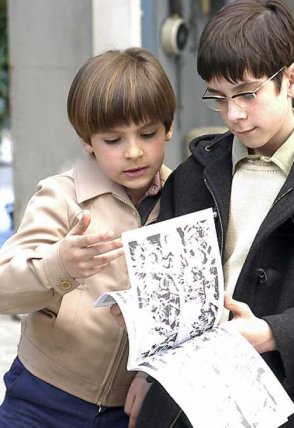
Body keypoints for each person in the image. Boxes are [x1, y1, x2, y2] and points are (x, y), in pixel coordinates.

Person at [130, 1, 294, 427]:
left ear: (293, 79)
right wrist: (145, 369)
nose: (234, 114)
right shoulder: (195, 174)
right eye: (219, 98)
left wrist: (271, 334)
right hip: (186, 396)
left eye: (248, 93)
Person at [0, 47, 176, 428]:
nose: (133, 152)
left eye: (148, 134)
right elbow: (3, 290)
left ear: (169, 127)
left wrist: (151, 377)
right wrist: (57, 266)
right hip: (41, 397)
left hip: (127, 409)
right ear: (86, 140)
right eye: (112, 140)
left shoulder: (184, 198)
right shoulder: (62, 197)